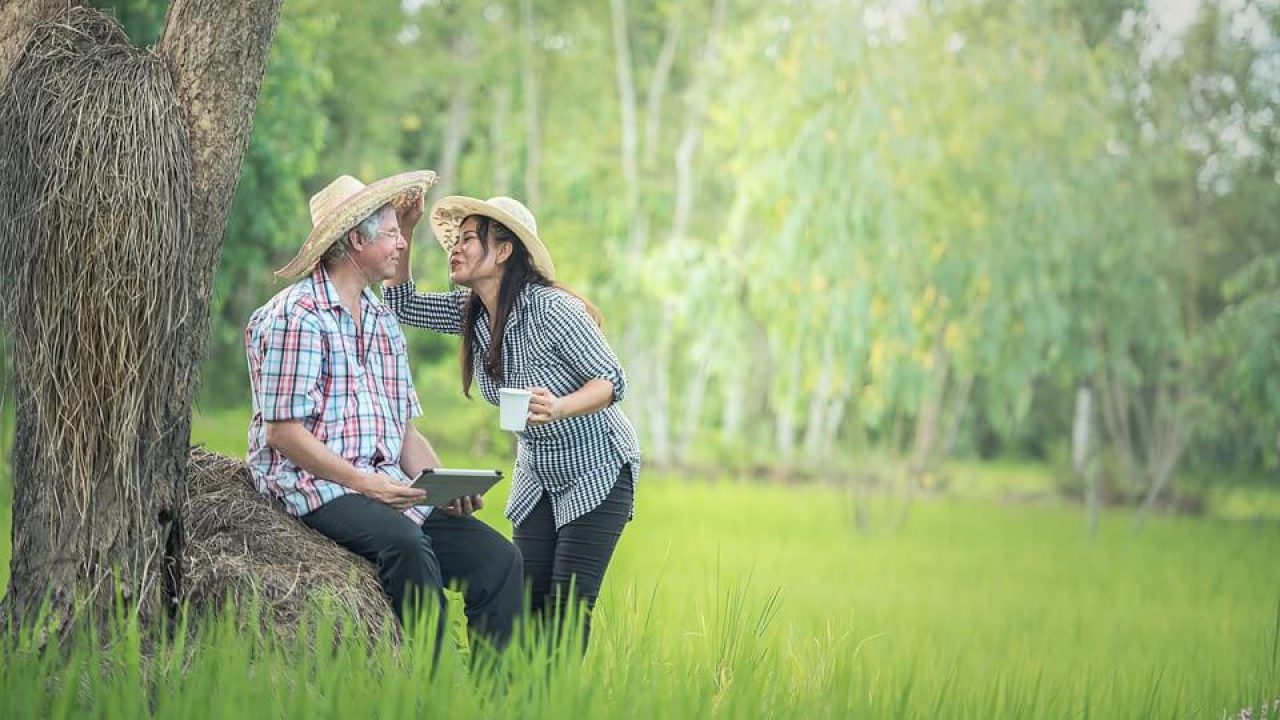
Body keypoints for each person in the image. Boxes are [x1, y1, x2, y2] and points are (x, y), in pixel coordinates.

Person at [244, 171, 523, 653]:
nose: (401, 244)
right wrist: (364, 482)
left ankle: (493, 700)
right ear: (356, 239)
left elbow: (403, 430)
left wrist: (442, 483)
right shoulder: (298, 316)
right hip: (317, 484)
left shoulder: (380, 320)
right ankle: (430, 690)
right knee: (407, 547)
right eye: (393, 232)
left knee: (498, 561)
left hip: (383, 483)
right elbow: (284, 433)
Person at [382, 194, 641, 650]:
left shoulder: (551, 309)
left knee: (564, 615)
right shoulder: (474, 314)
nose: (454, 250)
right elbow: (402, 306)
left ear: (503, 251)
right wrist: (405, 229)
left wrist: (559, 407)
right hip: (538, 474)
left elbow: (612, 381)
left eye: (467, 240)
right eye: (454, 241)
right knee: (522, 606)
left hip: (596, 470)